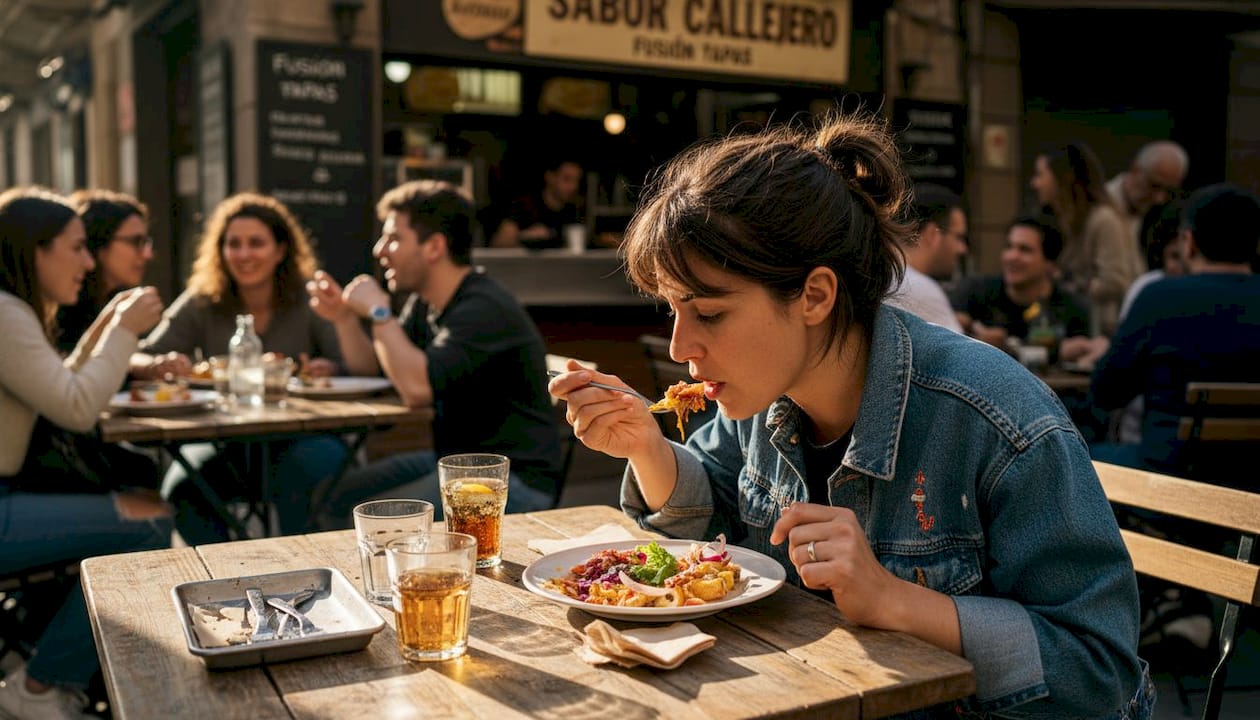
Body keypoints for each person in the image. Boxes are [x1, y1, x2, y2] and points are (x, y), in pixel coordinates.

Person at [549, 114, 1153, 718]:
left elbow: (1098, 671)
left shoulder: (993, 419)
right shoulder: (765, 395)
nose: (681, 347)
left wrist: (893, 600)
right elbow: (714, 510)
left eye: (708, 313)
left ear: (815, 295)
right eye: (673, 311)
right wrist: (646, 447)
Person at [0, 187, 172, 719]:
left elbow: (60, 385)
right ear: (36, 250)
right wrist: (124, 329)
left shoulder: (11, 311)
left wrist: (105, 327)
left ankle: (40, 667)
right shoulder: (6, 314)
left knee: (146, 508)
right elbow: (76, 407)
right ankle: (40, 688)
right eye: (76, 248)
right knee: (150, 524)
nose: (88, 262)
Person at [307, 180, 562, 525]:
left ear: (434, 247)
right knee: (331, 497)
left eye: (394, 238)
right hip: (454, 463)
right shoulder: (425, 304)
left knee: (374, 519)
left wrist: (380, 314)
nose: (380, 250)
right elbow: (377, 371)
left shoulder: (482, 307)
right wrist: (344, 319)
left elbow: (416, 389)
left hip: (511, 481)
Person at [134, 191, 356, 543]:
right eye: (233, 244)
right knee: (182, 489)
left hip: (304, 435)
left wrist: (329, 368)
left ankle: (307, 569)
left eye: (256, 243)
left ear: (281, 250)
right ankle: (228, 571)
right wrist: (158, 365)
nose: (243, 254)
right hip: (225, 441)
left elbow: (352, 365)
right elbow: (138, 355)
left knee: (312, 474)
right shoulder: (203, 300)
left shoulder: (309, 298)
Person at [1090, 183, 1260, 483]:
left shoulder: (1159, 297)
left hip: (1168, 476)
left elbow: (1106, 392)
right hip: (1252, 478)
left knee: (1079, 459)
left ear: (1188, 242)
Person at [1030, 142, 1144, 335]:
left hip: (1101, 330)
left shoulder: (1103, 220)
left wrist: (1069, 283)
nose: (1035, 183)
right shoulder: (1062, 219)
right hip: (1073, 323)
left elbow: (1115, 281)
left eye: (1041, 175)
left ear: (1062, 177)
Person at [951, 213, 1091, 352]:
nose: (1012, 256)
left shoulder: (1072, 310)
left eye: (1025, 250)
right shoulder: (975, 293)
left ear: (1050, 263)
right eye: (1009, 247)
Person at [885, 184, 967, 333]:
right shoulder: (918, 287)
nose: (962, 248)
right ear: (932, 234)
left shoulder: (885, 274)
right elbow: (961, 348)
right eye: (958, 237)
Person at [490, 157, 584, 249]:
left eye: (577, 181)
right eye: (567, 179)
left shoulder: (573, 211)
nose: (574, 187)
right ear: (550, 177)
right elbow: (497, 244)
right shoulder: (525, 206)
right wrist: (525, 236)